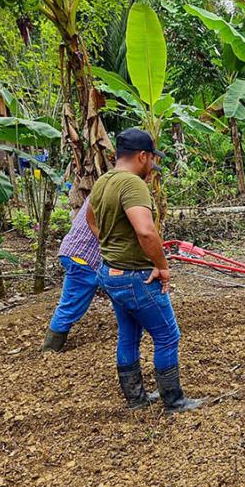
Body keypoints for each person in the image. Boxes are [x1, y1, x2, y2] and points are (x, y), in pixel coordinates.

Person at [87, 128, 205, 414]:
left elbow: (90, 218)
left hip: (110, 273)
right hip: (136, 276)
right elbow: (146, 232)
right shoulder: (132, 184)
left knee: (129, 334)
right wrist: (162, 266)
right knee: (167, 336)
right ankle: (174, 401)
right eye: (152, 159)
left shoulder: (103, 181)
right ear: (142, 156)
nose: (153, 165)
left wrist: (111, 243)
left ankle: (136, 398)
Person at [41, 199, 101, 352]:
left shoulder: (103, 187)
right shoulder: (119, 191)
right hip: (84, 257)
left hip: (74, 251)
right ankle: (50, 350)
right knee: (71, 304)